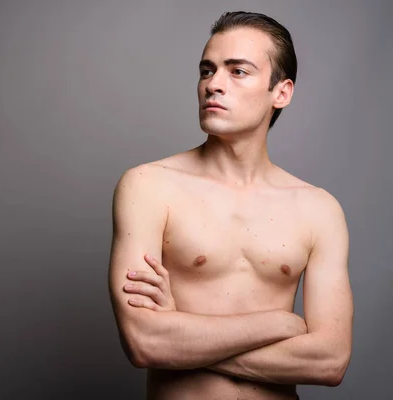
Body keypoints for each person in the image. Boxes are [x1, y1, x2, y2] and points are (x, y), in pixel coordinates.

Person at [108, 11, 353, 400]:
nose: (213, 85)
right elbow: (145, 342)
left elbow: (330, 361)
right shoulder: (149, 186)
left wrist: (182, 338)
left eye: (237, 71)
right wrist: (281, 323)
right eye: (207, 71)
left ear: (281, 93)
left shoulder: (319, 210)